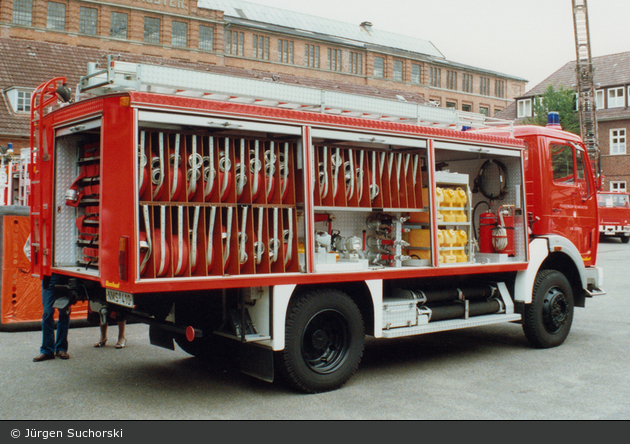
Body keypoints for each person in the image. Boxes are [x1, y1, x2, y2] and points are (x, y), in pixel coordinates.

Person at [33, 273, 71, 361]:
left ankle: (60, 349)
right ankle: (48, 350)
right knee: (47, 313)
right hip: (49, 277)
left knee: (64, 313)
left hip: (63, 277)